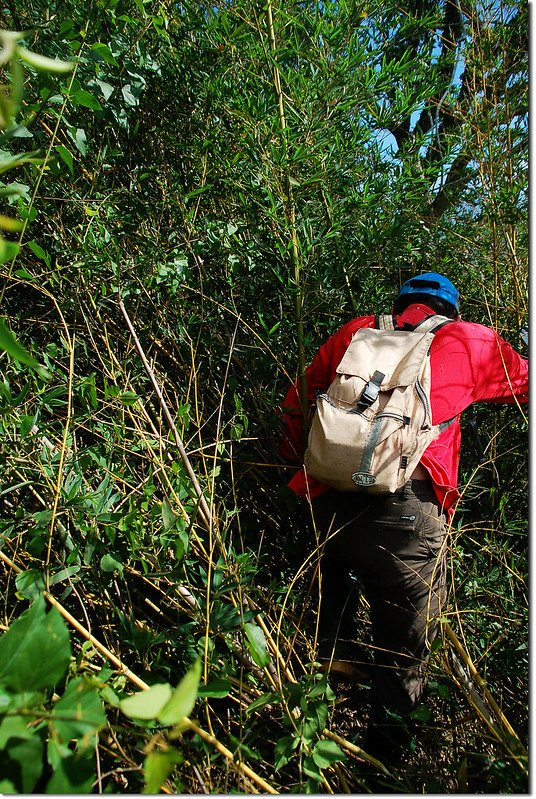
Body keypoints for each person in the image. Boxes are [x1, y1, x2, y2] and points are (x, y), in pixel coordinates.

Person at [279, 273, 528, 763]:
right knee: (403, 656)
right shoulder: (468, 339)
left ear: (401, 304)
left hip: (329, 502)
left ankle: (317, 709)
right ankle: (383, 770)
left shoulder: (356, 331)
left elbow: (296, 406)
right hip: (407, 514)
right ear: (449, 310)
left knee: (331, 595)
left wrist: (301, 476)